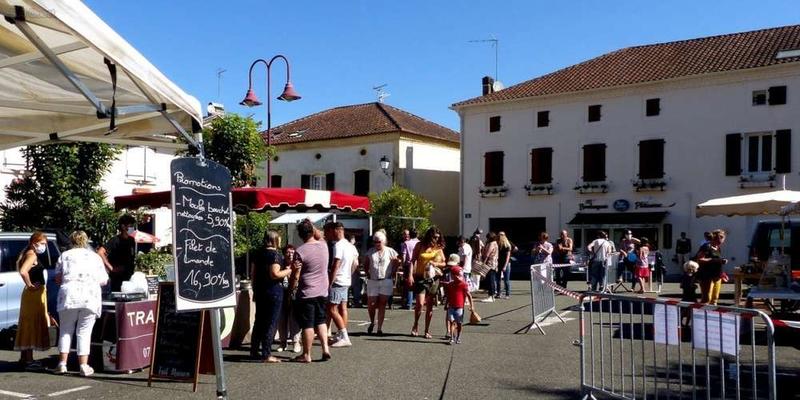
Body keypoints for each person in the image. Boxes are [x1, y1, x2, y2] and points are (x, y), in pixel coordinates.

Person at [53, 231, 108, 376]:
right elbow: (103, 280)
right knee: (84, 332)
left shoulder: (64, 256)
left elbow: (57, 279)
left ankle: (62, 364)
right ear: (86, 240)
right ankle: (83, 365)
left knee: (65, 330)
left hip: (68, 295)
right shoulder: (95, 257)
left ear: (71, 241)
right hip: (89, 296)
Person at [250, 230, 292, 362]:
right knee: (271, 322)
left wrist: (255, 289)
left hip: (260, 290)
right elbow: (274, 273)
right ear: (274, 240)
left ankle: (254, 350)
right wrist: (289, 270)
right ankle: (267, 353)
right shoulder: (275, 255)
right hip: (273, 291)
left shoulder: (257, 254)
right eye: (278, 239)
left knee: (259, 322)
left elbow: (253, 274)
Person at [292, 219, 331, 363]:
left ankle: (307, 354)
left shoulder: (300, 251)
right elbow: (319, 234)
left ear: (301, 235)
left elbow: (296, 274)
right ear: (312, 231)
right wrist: (312, 225)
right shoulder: (323, 245)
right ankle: (325, 348)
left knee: (308, 324)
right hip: (322, 290)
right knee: (321, 321)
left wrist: (292, 289)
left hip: (307, 291)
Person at [14, 232, 51, 370]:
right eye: (42, 244)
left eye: (45, 244)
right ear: (34, 243)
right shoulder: (32, 255)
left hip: (33, 295)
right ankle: (29, 360)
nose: (44, 246)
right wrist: (30, 285)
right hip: (33, 295)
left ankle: (25, 357)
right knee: (31, 324)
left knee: (28, 324)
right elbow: (24, 271)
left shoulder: (28, 253)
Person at [408, 226, 446, 339]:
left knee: (430, 305)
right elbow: (412, 260)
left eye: (438, 237)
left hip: (434, 279)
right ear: (429, 236)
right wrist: (410, 275)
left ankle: (427, 330)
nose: (436, 239)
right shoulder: (420, 246)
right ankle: (415, 325)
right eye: (434, 237)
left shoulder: (438, 248)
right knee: (420, 303)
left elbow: (444, 263)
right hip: (420, 277)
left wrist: (436, 264)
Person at [364, 230, 400, 335]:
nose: (377, 244)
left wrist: (393, 272)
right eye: (375, 242)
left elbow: (397, 262)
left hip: (385, 280)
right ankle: (372, 322)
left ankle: (379, 328)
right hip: (373, 280)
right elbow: (366, 263)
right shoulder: (370, 252)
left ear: (383, 241)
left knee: (382, 304)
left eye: (378, 242)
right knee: (371, 303)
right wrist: (367, 273)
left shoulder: (390, 251)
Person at [328, 223, 358, 347]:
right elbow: (355, 263)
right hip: (346, 280)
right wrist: (348, 274)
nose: (328, 234)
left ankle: (344, 336)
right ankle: (341, 334)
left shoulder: (338, 245)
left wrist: (330, 282)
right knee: (342, 308)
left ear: (337, 230)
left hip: (338, 281)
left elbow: (336, 264)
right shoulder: (350, 246)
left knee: (331, 309)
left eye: (329, 231)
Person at [98, 214, 137, 292]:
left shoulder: (132, 240)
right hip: (117, 278)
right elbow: (100, 252)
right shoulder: (115, 240)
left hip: (129, 276)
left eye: (133, 226)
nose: (132, 229)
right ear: (123, 227)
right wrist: (111, 267)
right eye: (130, 226)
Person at [277, 245, 302, 354]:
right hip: (281, 293)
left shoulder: (298, 265)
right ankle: (283, 342)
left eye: (292, 252)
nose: (290, 255)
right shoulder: (279, 264)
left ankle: (296, 342)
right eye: (288, 252)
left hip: (294, 294)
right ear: (284, 254)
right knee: (282, 318)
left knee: (294, 319)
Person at [444, 261, 473, 345]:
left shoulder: (463, 285)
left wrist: (472, 306)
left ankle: (458, 336)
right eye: (456, 275)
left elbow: (469, 295)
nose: (459, 277)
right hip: (451, 306)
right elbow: (448, 296)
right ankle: (452, 337)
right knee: (452, 322)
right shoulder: (451, 284)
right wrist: (446, 304)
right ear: (452, 276)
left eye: (460, 276)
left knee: (459, 323)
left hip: (460, 306)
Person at [695, 230, 727, 305]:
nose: (721, 241)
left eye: (722, 238)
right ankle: (700, 314)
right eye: (720, 238)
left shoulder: (718, 247)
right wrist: (713, 260)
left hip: (717, 276)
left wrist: (722, 272)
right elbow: (700, 259)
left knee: (715, 298)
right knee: (707, 299)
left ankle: (712, 315)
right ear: (714, 238)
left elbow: (717, 260)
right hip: (707, 276)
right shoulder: (706, 246)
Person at [400, 229, 420, 310]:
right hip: (419, 265)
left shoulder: (406, 243)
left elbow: (404, 256)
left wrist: (402, 264)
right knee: (418, 283)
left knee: (409, 284)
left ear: (409, 235)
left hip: (409, 265)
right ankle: (418, 302)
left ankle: (409, 303)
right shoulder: (420, 243)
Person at [480, 232, 499, 303]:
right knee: (491, 280)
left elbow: (487, 254)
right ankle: (492, 296)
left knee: (490, 280)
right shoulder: (495, 243)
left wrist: (483, 264)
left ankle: (491, 296)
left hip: (490, 264)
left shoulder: (491, 244)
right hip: (494, 264)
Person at [497, 232, 514, 299]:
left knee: (506, 280)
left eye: (500, 235)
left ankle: (507, 294)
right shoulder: (497, 244)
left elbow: (507, 257)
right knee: (498, 279)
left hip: (506, 264)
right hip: (498, 263)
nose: (499, 237)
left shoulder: (507, 245)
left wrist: (505, 266)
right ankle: (498, 293)